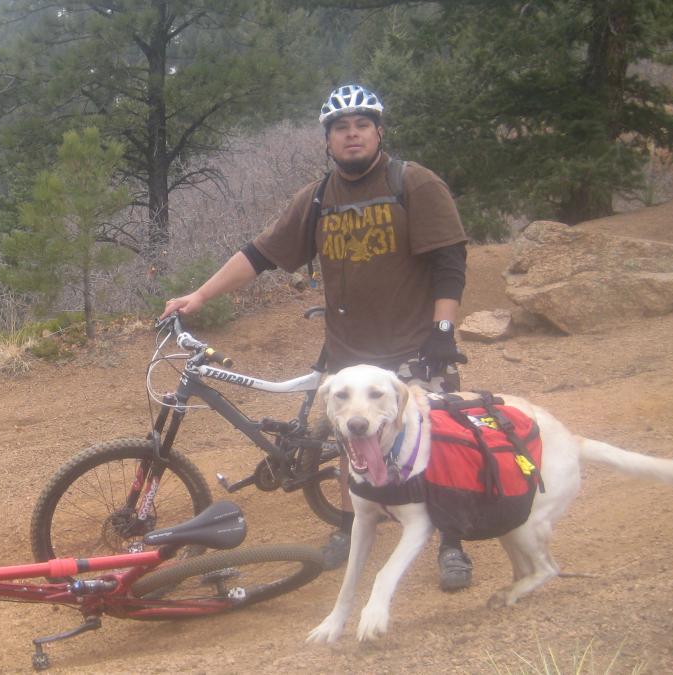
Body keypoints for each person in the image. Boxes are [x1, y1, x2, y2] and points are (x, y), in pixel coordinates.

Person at [160, 84, 473, 591]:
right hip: (350, 349)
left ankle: (453, 542)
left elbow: (449, 261)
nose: (352, 135)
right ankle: (351, 530)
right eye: (341, 128)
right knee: (353, 444)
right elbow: (258, 256)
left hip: (414, 342)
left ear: (379, 133)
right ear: (328, 141)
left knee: (433, 444)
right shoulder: (318, 198)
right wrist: (198, 296)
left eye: (362, 126)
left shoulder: (412, 183)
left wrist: (442, 329)